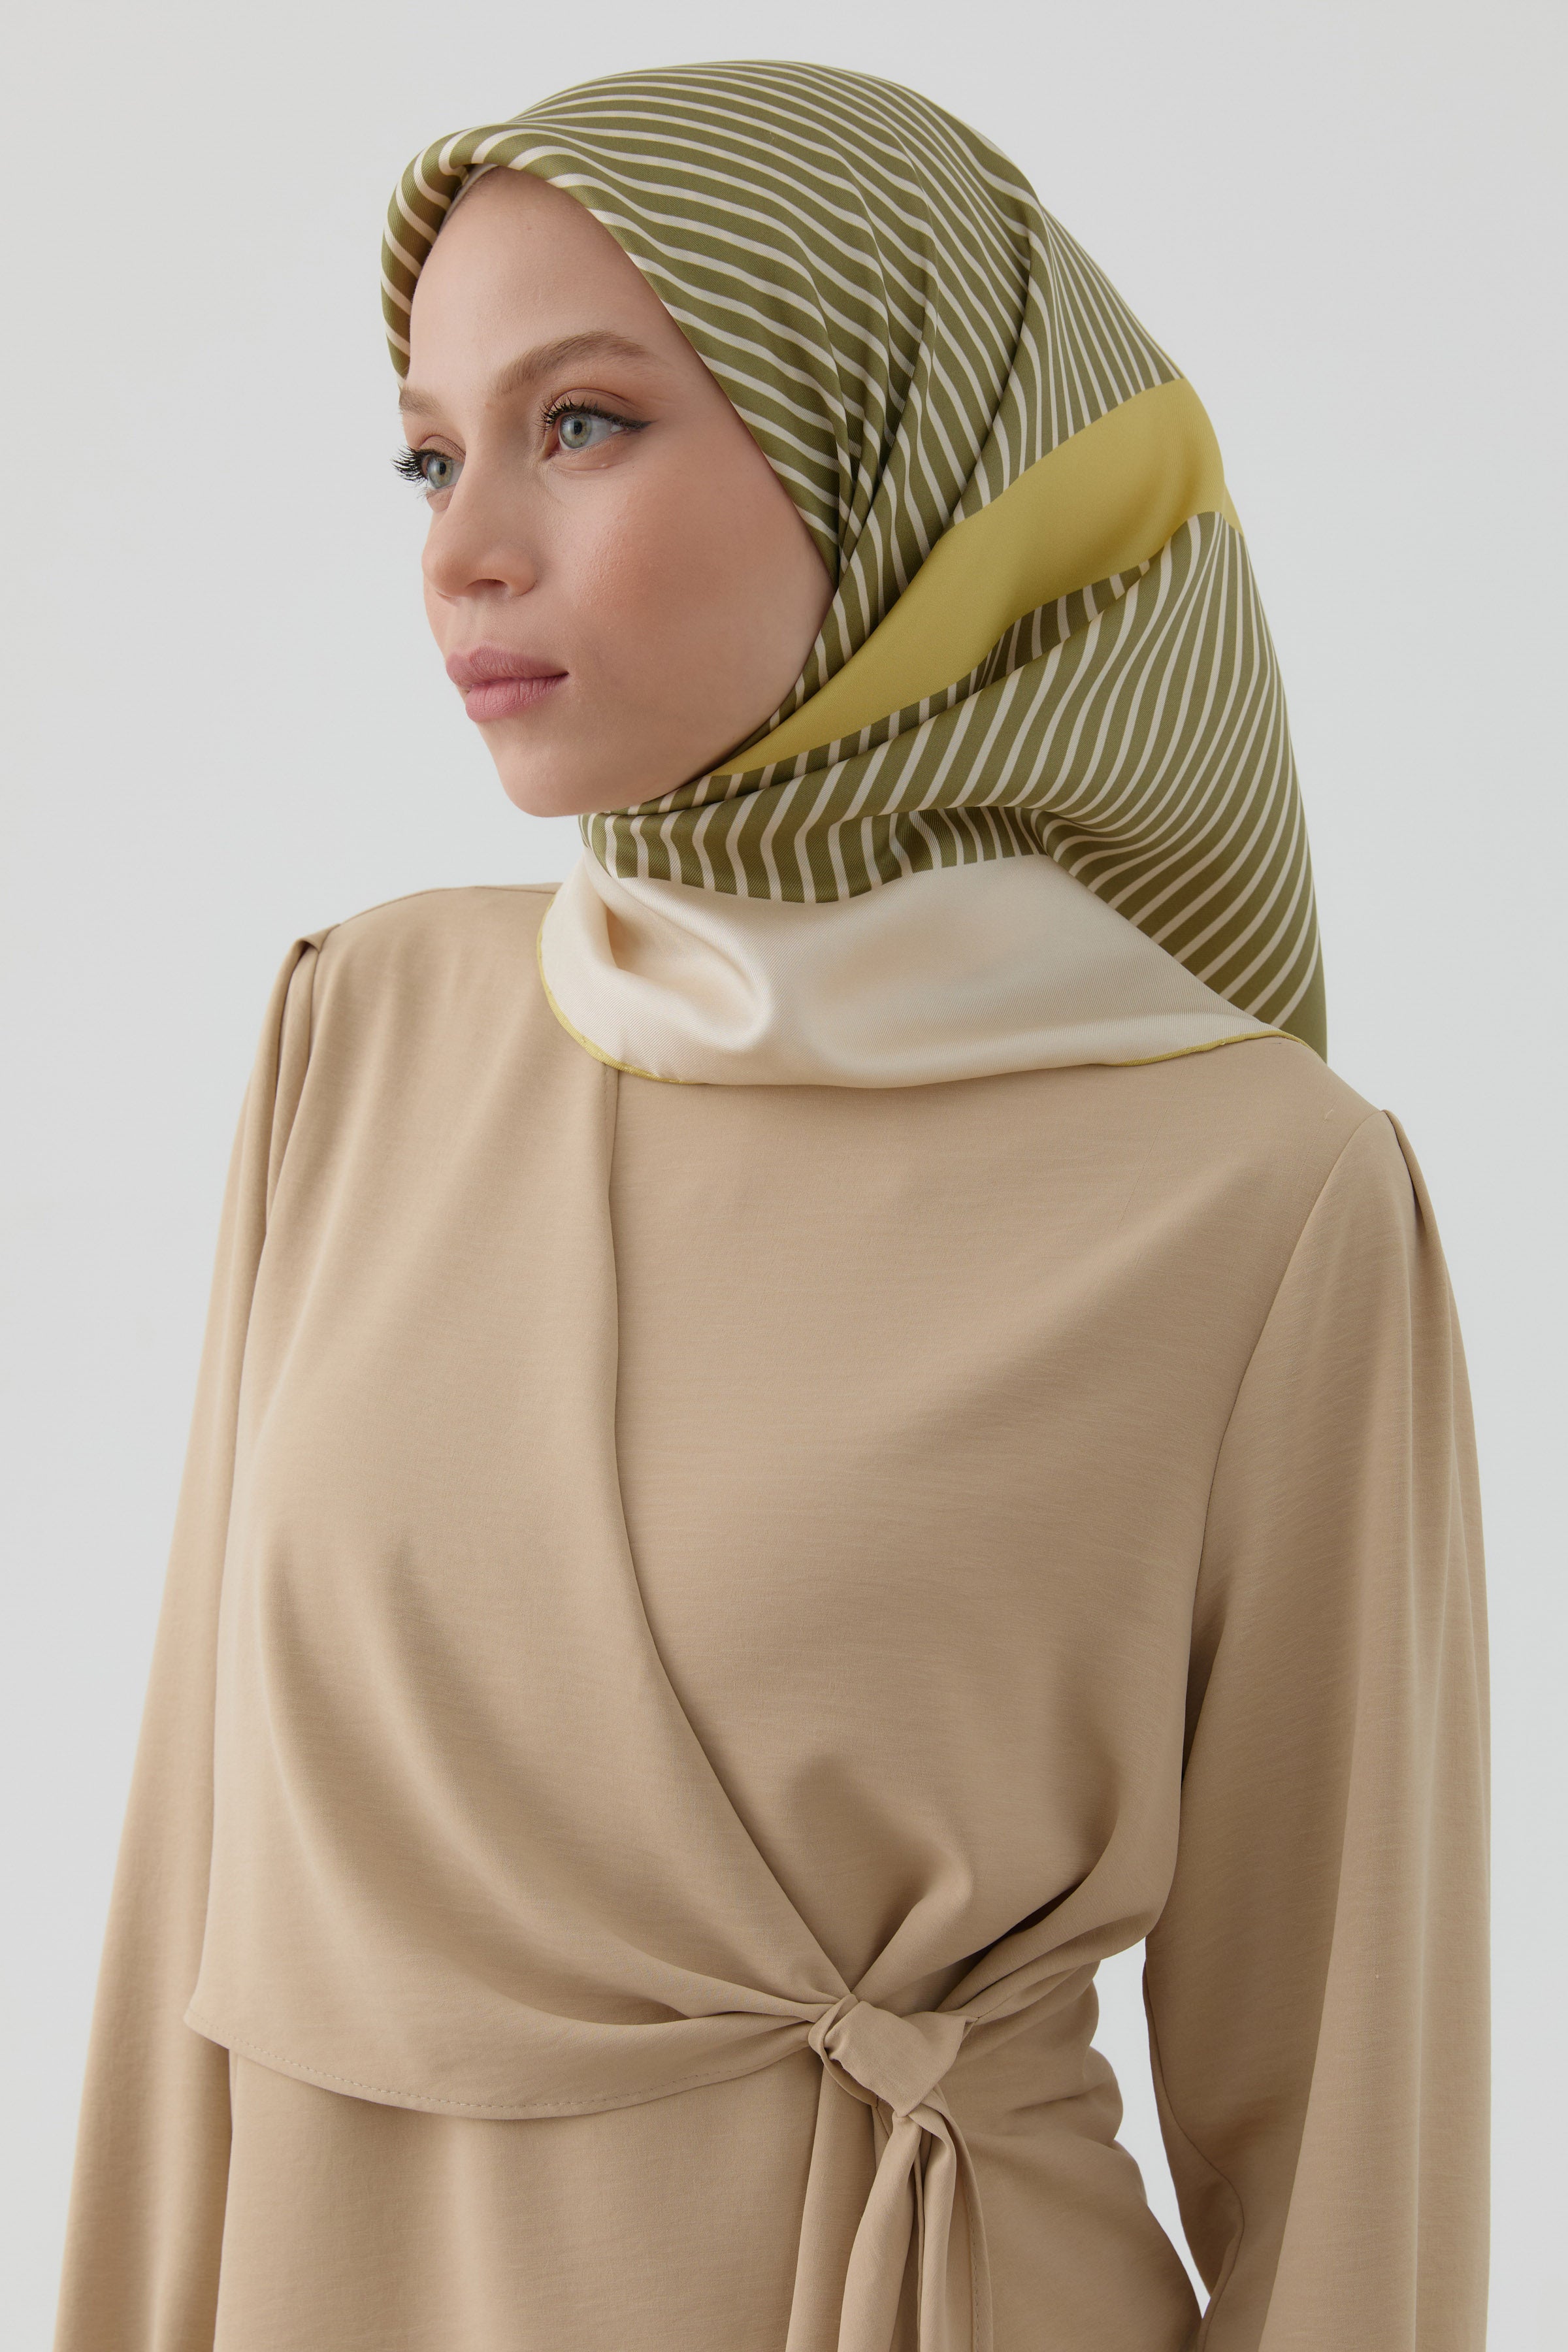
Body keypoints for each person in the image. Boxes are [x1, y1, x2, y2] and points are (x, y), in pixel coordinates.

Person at [51, 60, 1488, 2352]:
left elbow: (1350, 2147)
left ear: (889, 449)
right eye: (429, 454)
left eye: (582, 424)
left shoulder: (1263, 1193)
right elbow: (184, 1927)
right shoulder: (362, 1031)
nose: (462, 546)